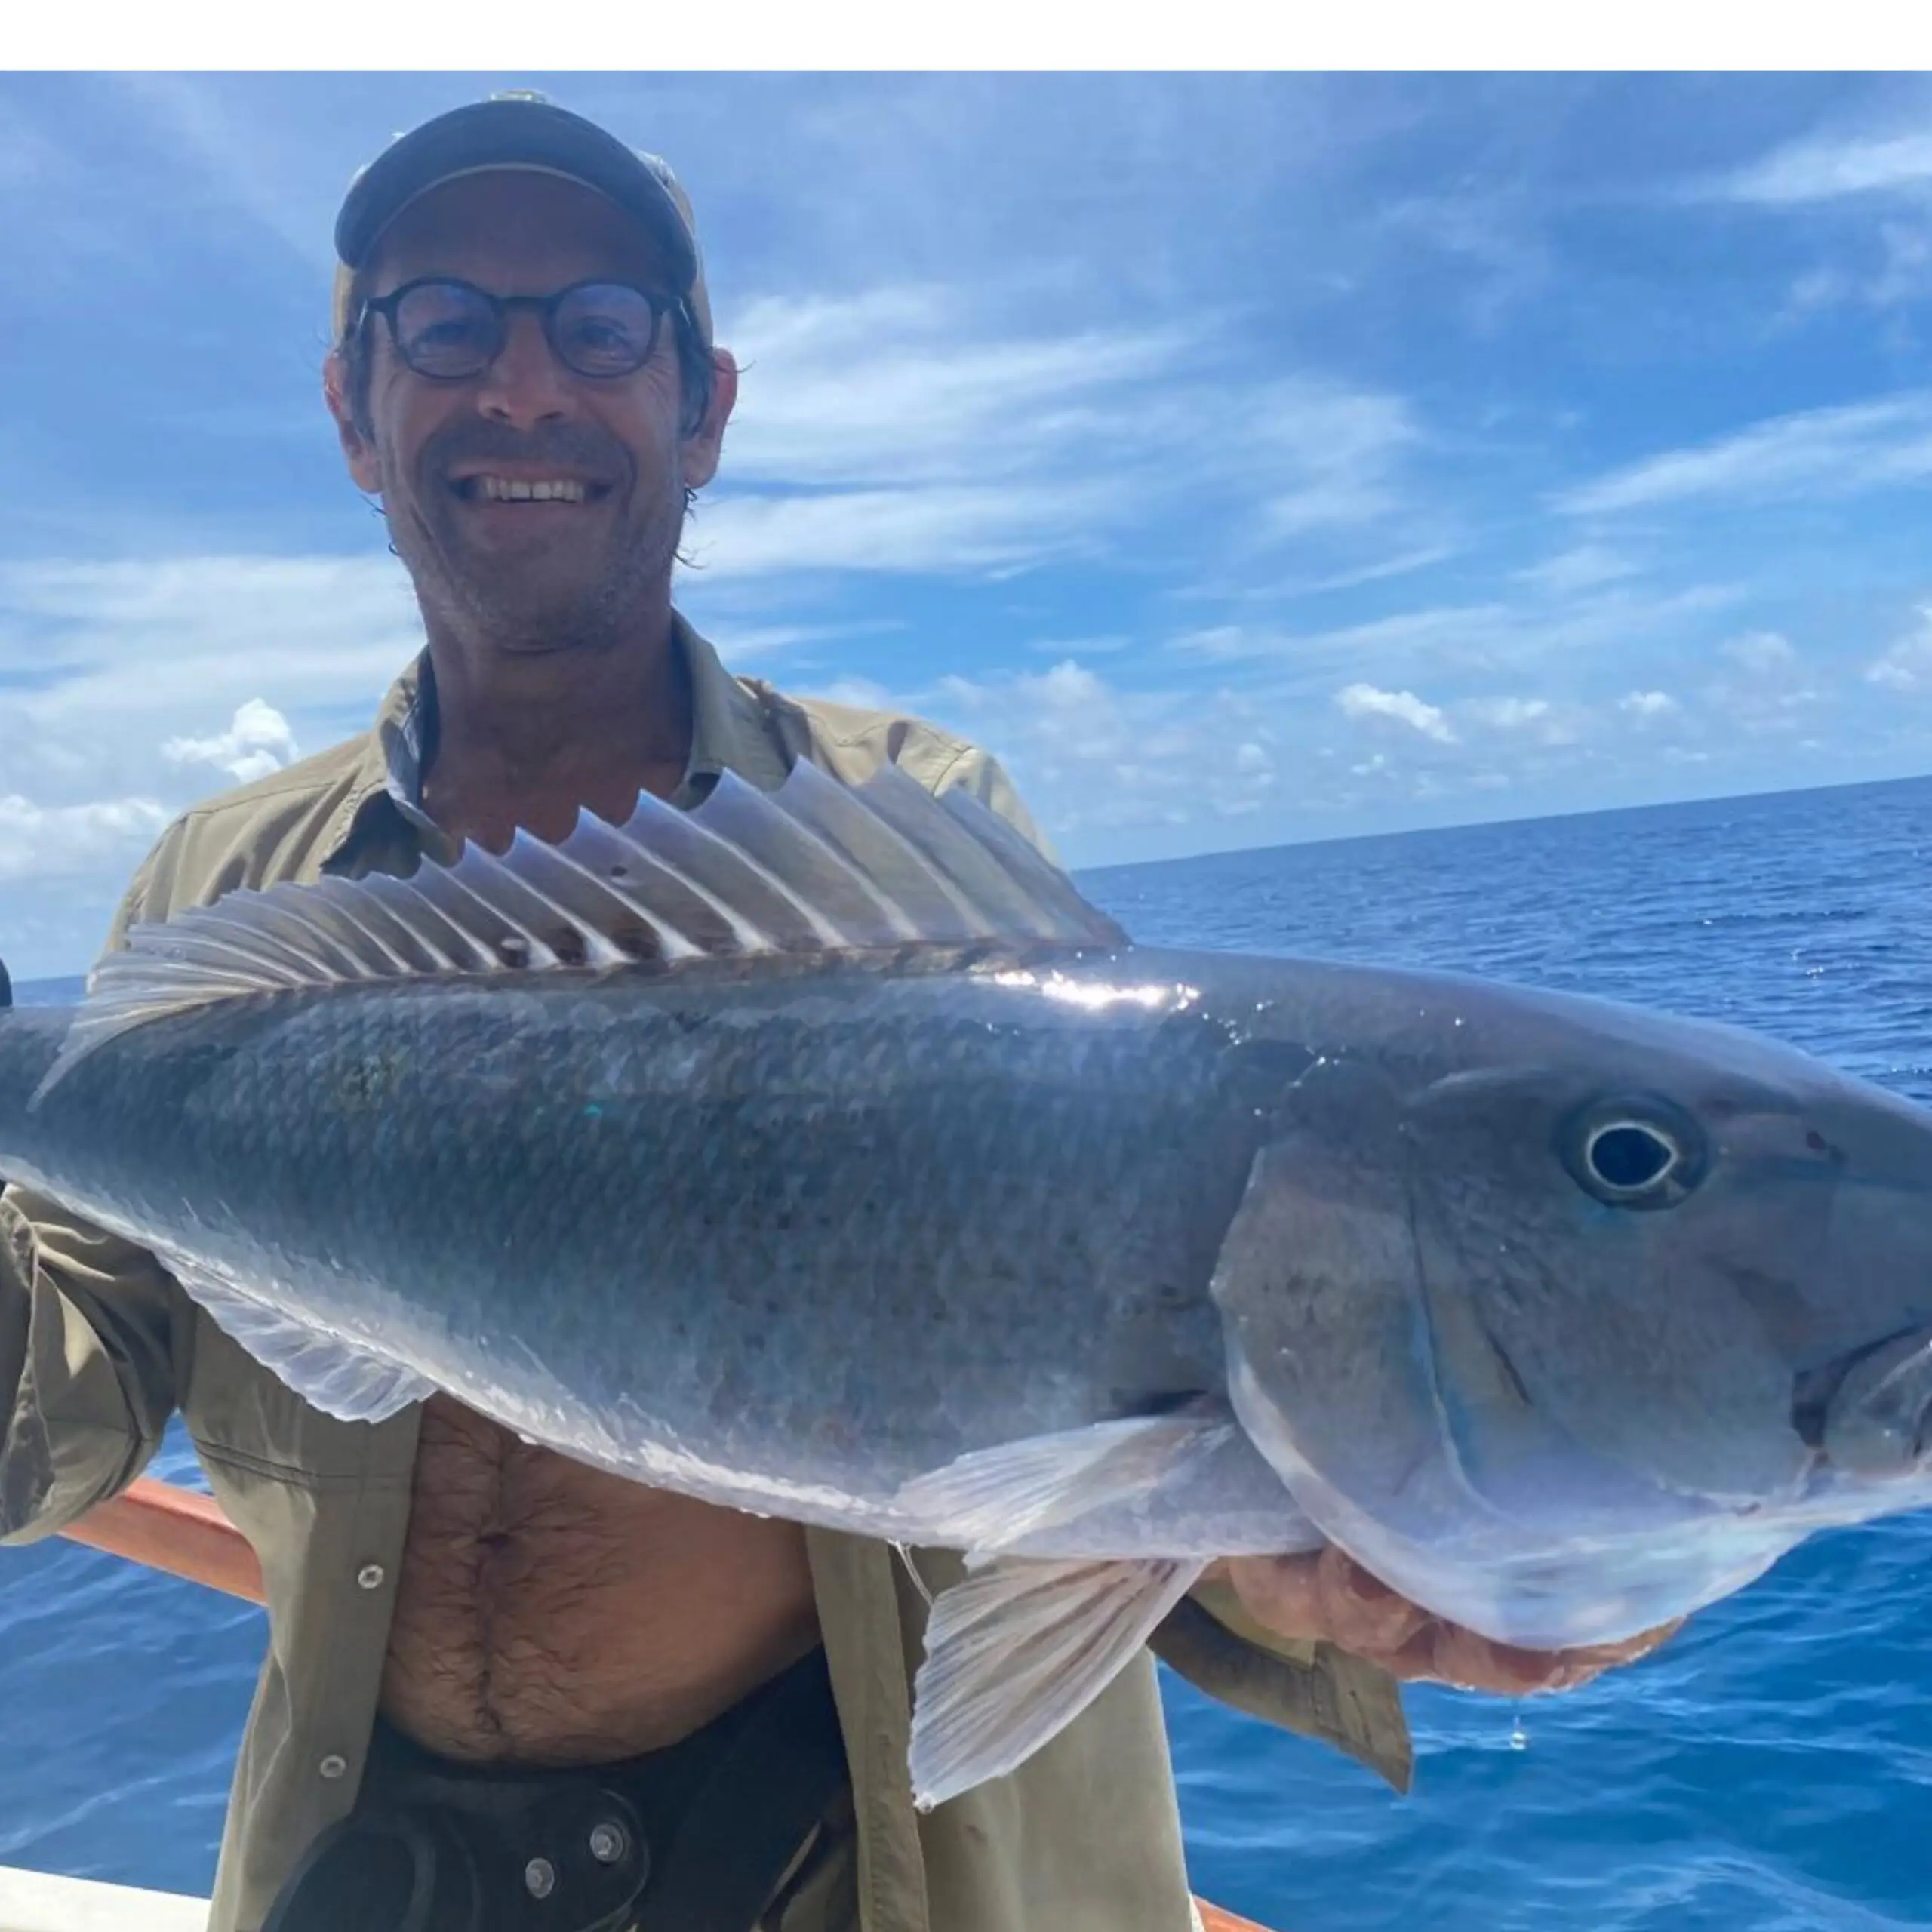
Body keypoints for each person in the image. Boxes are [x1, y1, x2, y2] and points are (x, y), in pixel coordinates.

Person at [0, 95, 1669, 1932]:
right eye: (447, 325)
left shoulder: (919, 843)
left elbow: (1086, 1393)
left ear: (703, 406)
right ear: (350, 408)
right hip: (366, 1869)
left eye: (603, 325)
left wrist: (1289, 1564)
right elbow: (55, 1414)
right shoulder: (219, 888)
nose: (527, 388)